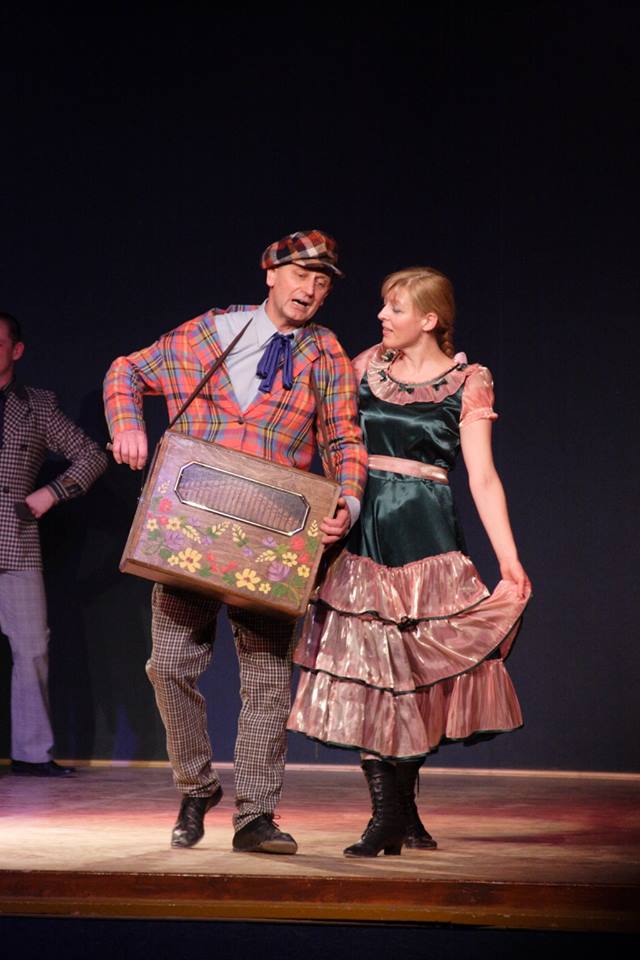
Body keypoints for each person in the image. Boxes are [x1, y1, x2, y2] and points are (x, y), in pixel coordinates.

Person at [103, 230, 367, 854]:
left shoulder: (324, 353)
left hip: (273, 540)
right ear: (270, 273)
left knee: (268, 680)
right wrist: (128, 426)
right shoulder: (210, 333)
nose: (310, 290)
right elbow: (126, 371)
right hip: (191, 530)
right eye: (300, 275)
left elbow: (344, 438)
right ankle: (197, 786)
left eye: (322, 282)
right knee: (169, 665)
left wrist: (347, 503)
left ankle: (255, 815)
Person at [288, 266, 532, 857]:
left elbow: (482, 476)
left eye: (395, 308)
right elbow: (330, 439)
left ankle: (402, 810)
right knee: (371, 670)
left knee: (417, 674)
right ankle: (387, 817)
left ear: (428, 319)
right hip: (363, 533)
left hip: (425, 536)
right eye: (383, 306)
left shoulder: (469, 380)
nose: (381, 316)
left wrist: (510, 559)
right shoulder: (365, 366)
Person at [0, 312, 107, 777]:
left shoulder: (37, 406)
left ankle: (31, 754)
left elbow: (91, 456)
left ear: (16, 350)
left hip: (16, 541)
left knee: (32, 649)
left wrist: (51, 493)